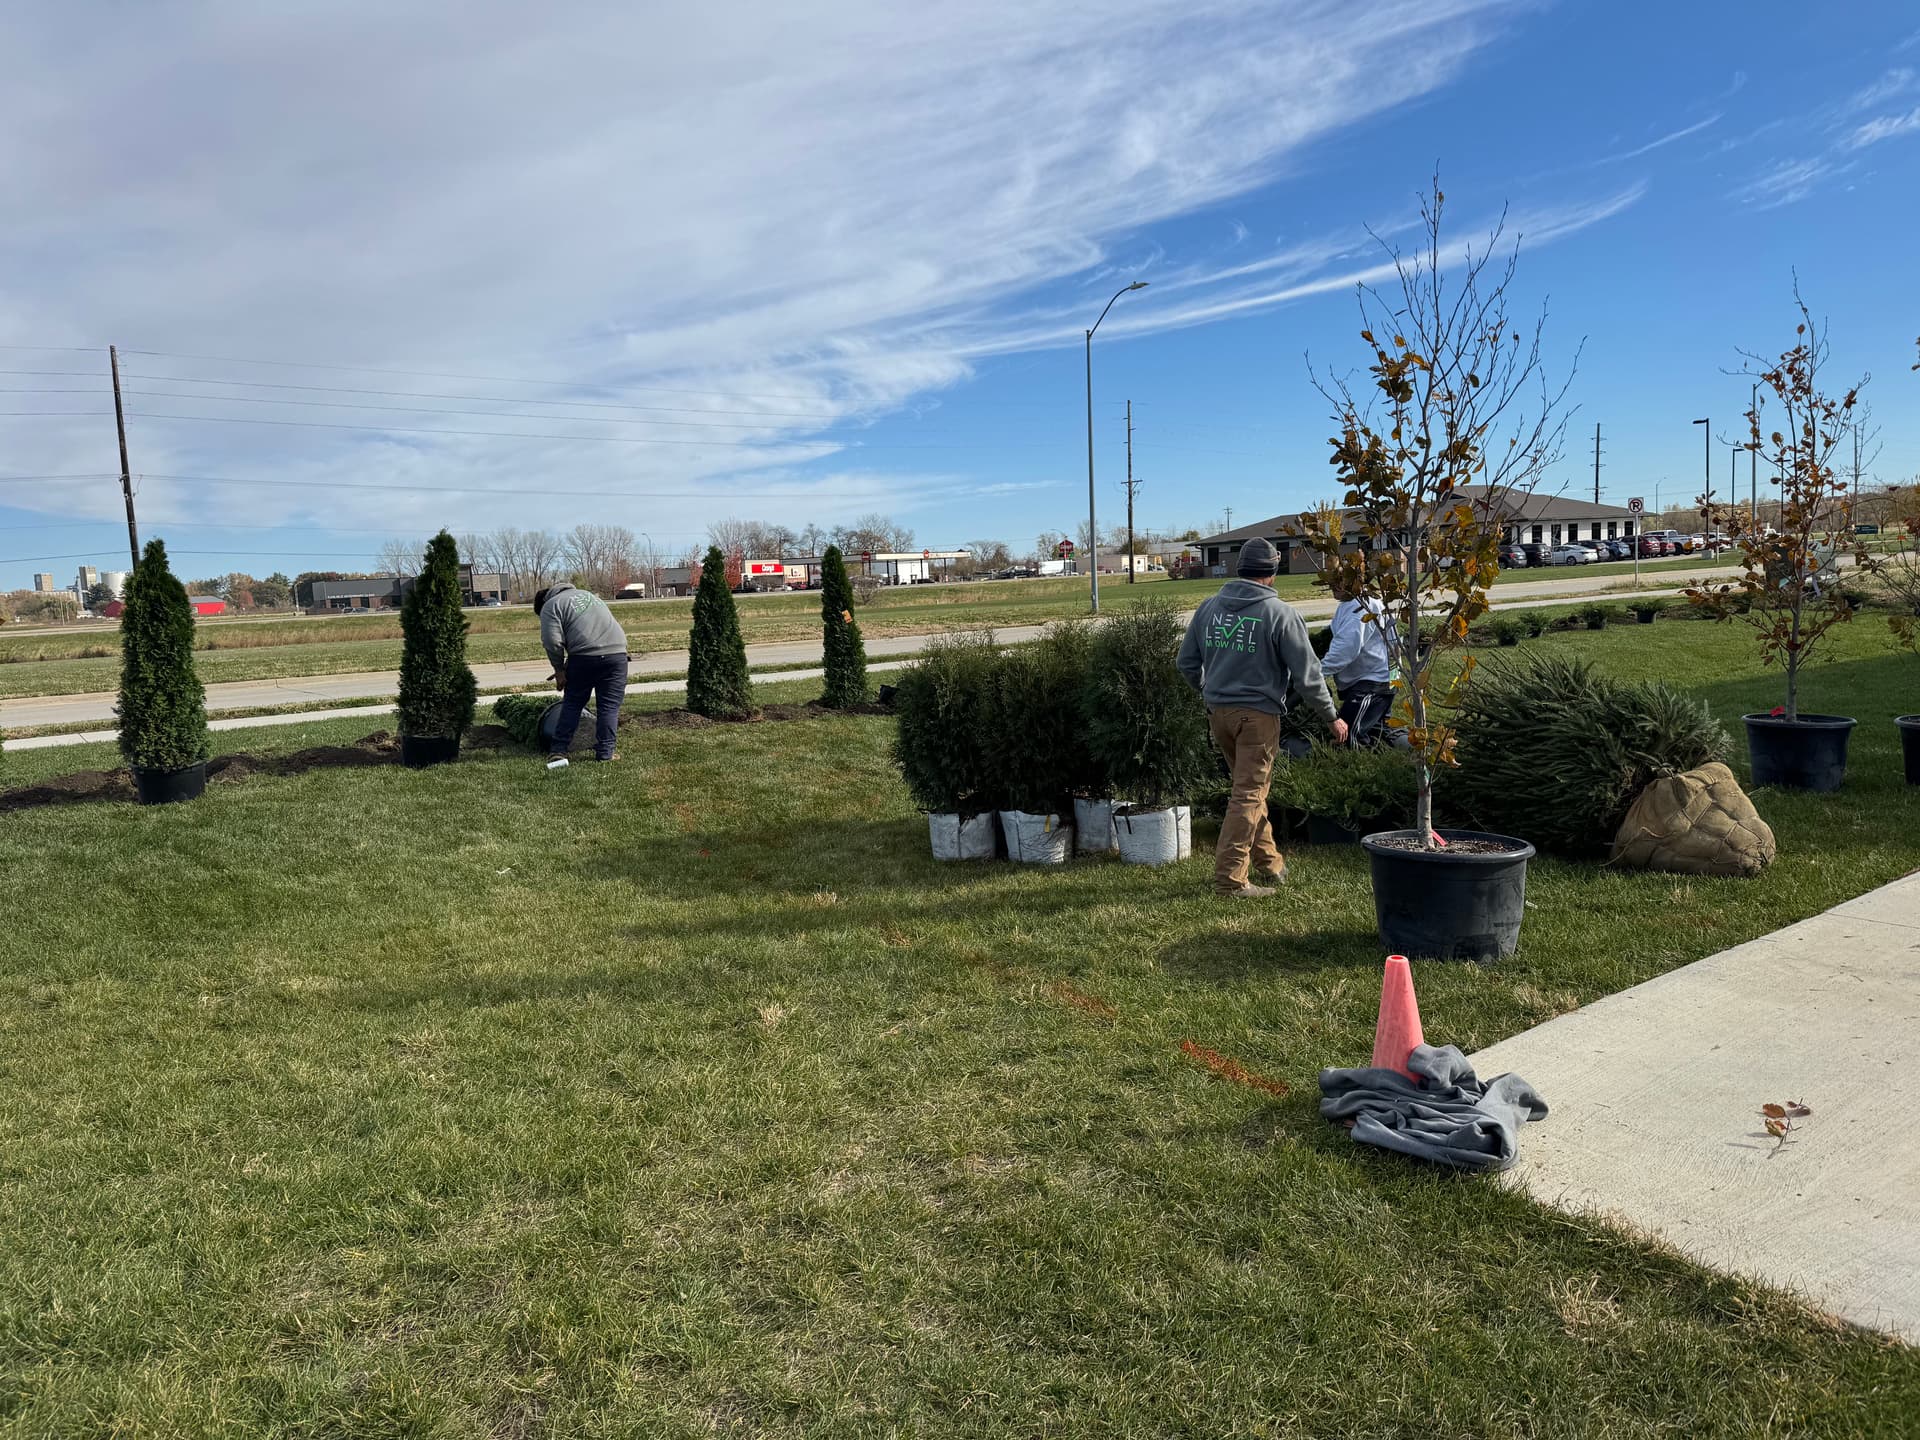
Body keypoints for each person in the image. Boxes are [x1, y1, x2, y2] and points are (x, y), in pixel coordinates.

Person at [1177, 537, 1348, 899]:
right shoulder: (1280, 614)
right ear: (1273, 571)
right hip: (1258, 718)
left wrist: (1211, 691)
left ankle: (1270, 863)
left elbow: (1186, 663)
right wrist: (1331, 716)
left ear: (1240, 569)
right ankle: (1230, 880)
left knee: (1251, 791)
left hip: (1218, 715)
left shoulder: (1208, 608)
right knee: (1248, 795)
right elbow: (1308, 675)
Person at [534, 583, 630, 762]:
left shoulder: (551, 605)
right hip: (617, 655)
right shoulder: (590, 595)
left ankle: (558, 751)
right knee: (609, 707)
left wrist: (559, 669)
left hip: (584, 658)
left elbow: (552, 641)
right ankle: (605, 753)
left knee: (573, 704)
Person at [1322, 577, 1407, 748]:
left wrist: (1315, 673)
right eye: (1331, 582)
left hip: (1372, 684)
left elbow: (1345, 649)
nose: (1333, 586)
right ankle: (1413, 747)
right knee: (1379, 731)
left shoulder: (1359, 607)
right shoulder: (1358, 603)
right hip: (1376, 681)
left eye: (1339, 581)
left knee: (1346, 737)